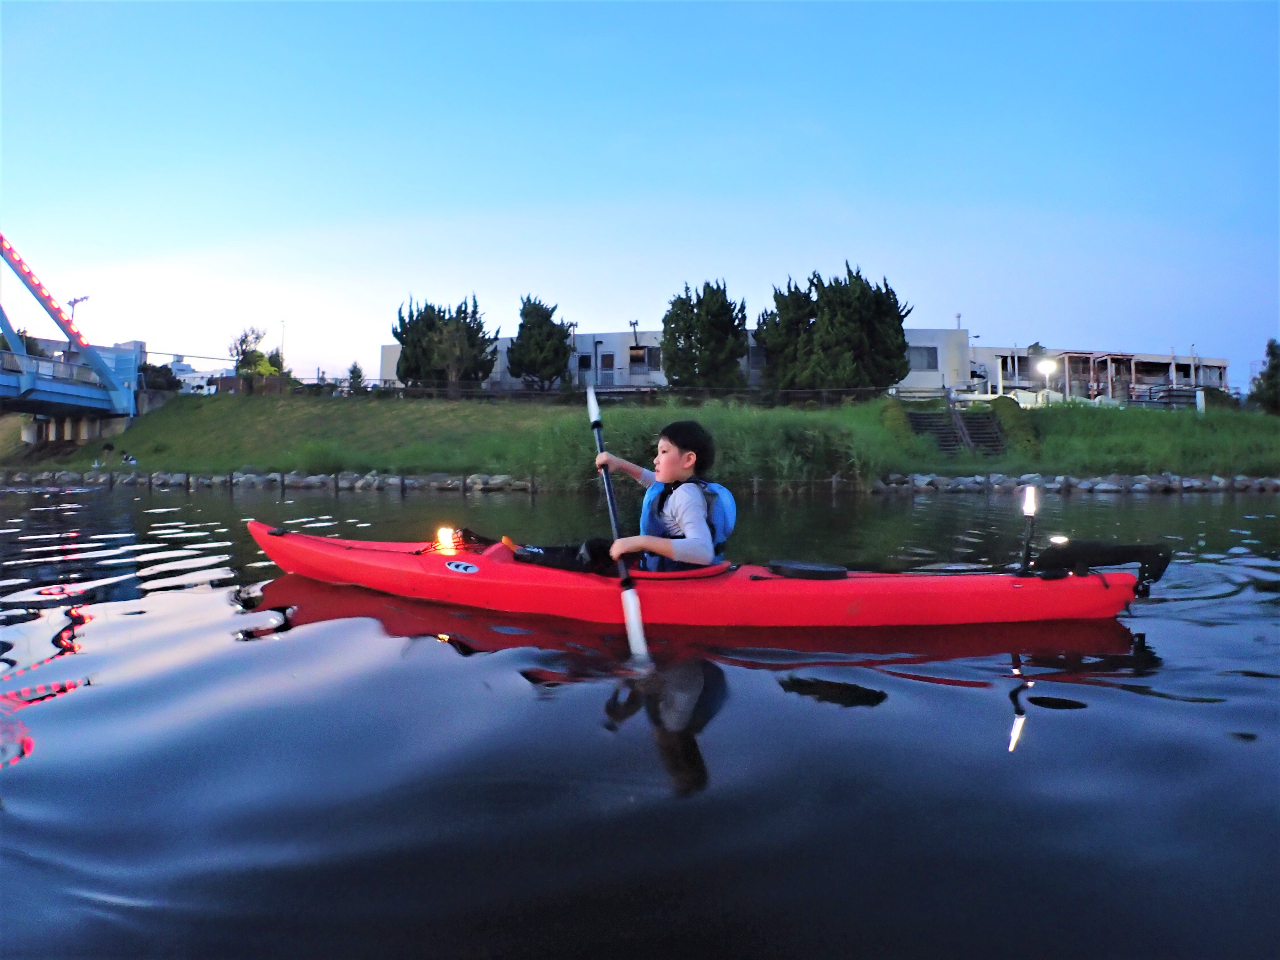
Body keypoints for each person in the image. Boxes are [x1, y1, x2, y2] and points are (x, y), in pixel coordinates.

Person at [593, 419, 735, 571]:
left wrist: (642, 542)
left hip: (677, 584)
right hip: (693, 577)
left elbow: (703, 552)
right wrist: (619, 463)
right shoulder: (689, 485)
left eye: (664, 452)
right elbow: (654, 482)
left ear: (688, 459)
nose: (656, 460)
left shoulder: (685, 495)